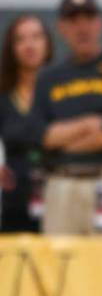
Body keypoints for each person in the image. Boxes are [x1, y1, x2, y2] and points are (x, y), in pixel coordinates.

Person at [29, 0, 102, 237]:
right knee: (59, 266)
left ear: (100, 23)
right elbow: (39, 136)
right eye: (73, 20)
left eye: (88, 19)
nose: (82, 28)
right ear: (61, 27)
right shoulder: (49, 77)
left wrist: (62, 143)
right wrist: (88, 124)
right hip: (61, 185)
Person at [0, 15, 53, 232]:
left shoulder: (62, 89)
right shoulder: (4, 95)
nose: (29, 45)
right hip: (15, 197)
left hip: (57, 193)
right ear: (11, 48)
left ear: (48, 43)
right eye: (21, 39)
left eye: (36, 37)